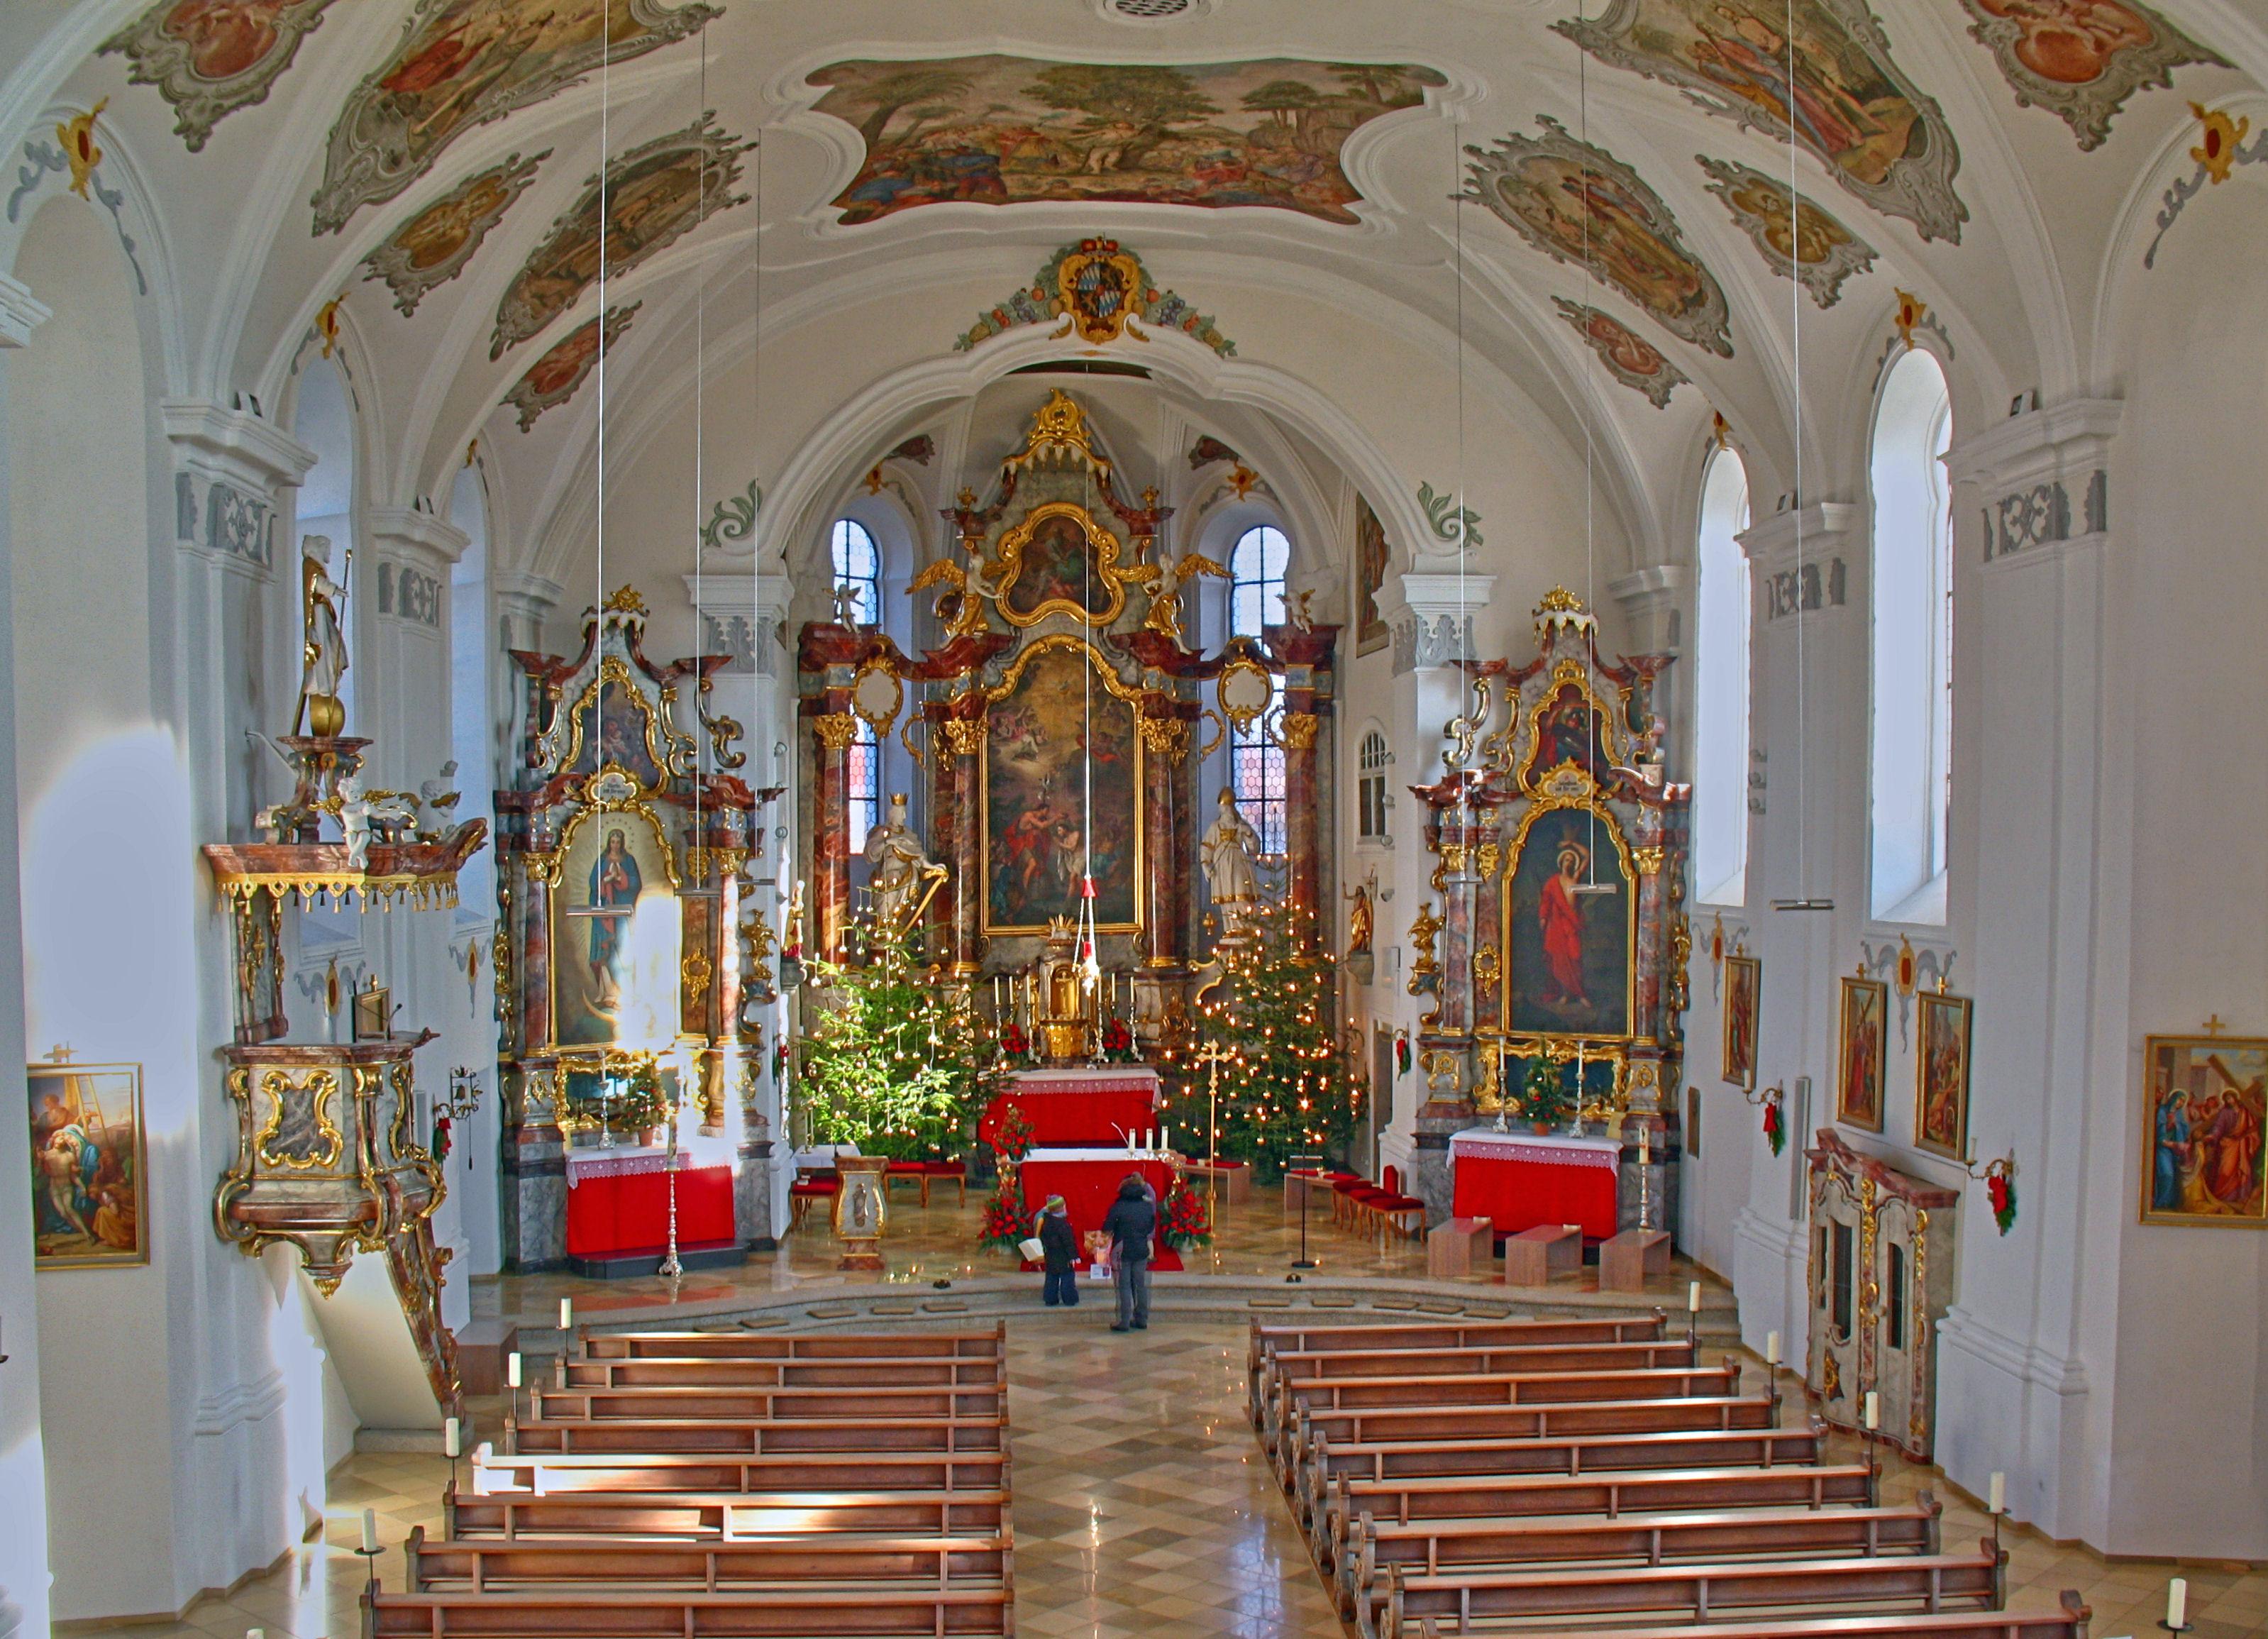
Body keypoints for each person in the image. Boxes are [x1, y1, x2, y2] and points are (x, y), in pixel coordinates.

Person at [1101, 1174, 1157, 1332]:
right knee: (1140, 1285)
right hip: (1141, 1248)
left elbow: (1107, 1228)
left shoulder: (1118, 1207)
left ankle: (1124, 1320)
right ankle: (1142, 1319)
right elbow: (1150, 1227)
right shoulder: (1147, 1206)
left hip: (1123, 1249)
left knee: (1124, 1285)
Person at [1037, 1195, 1079, 1308]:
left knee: (1051, 1277)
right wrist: (1074, 1256)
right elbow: (1068, 1242)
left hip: (1051, 1255)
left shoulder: (1046, 1223)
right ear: (1060, 1208)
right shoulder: (1063, 1224)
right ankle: (1070, 1299)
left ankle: (1050, 1299)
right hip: (1063, 1256)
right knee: (1067, 1278)